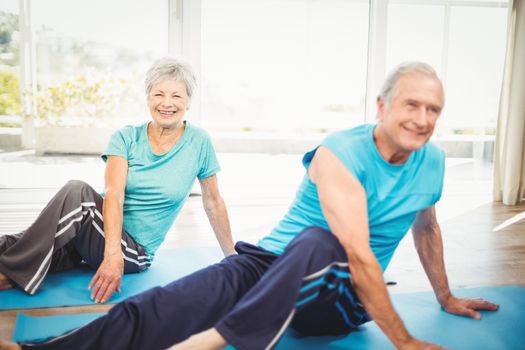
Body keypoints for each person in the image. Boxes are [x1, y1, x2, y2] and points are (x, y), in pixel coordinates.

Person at [0, 62, 499, 350]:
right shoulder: (339, 154)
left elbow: (421, 231)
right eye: (411, 104)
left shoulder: (432, 163)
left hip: (338, 295)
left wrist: (442, 300)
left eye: (433, 109)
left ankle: (215, 339)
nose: (423, 117)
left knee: (319, 241)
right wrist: (232, 260)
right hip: (266, 264)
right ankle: (44, 349)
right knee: (158, 304)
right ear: (383, 107)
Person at [0, 57, 236, 304]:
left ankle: (14, 273)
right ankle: (16, 264)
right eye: (159, 94)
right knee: (14, 243)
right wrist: (110, 253)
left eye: (176, 96)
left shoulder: (199, 143)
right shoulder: (126, 137)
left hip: (133, 252)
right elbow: (113, 194)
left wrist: (233, 257)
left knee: (77, 192)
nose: (167, 103)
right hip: (97, 236)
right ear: (148, 98)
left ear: (188, 102)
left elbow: (213, 201)